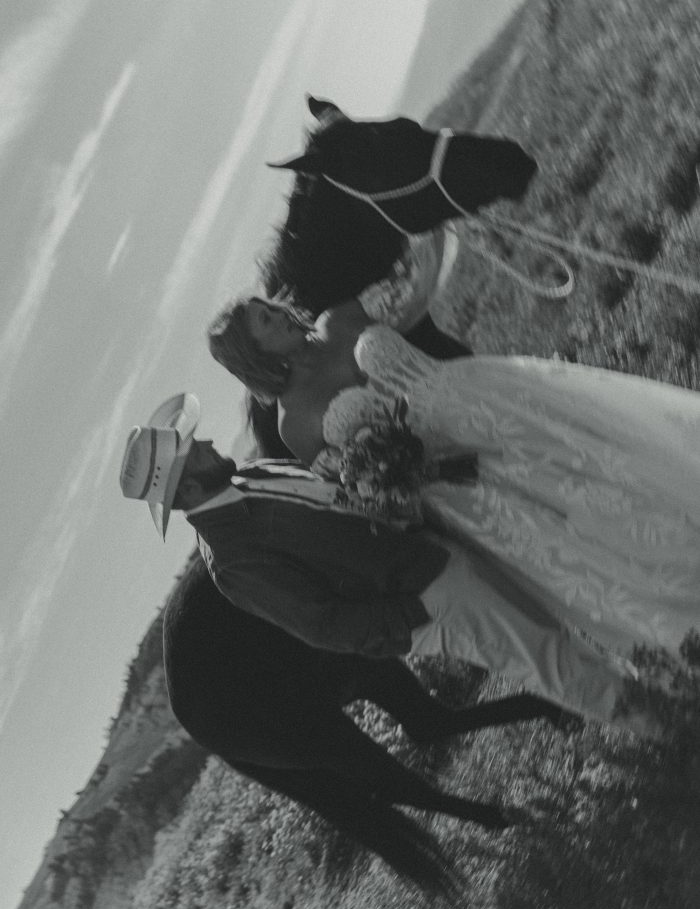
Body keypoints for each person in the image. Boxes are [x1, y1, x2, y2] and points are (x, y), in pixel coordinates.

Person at [206, 287, 700, 667]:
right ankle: (675, 606)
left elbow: (416, 289)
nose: (275, 315)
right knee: (566, 535)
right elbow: (356, 489)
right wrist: (400, 472)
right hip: (456, 481)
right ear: (255, 355)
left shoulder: (340, 318)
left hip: (493, 403)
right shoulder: (293, 422)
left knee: (602, 465)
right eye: (263, 325)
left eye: (267, 309)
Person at [120, 393, 660, 736]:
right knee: (546, 659)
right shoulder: (234, 561)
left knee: (556, 629)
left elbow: (339, 498)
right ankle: (665, 728)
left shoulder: (250, 475)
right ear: (186, 487)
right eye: (195, 450)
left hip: (437, 548)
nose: (210, 441)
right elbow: (323, 624)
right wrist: (421, 612)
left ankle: (654, 697)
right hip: (431, 598)